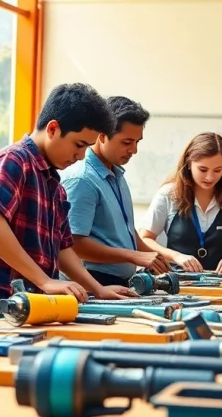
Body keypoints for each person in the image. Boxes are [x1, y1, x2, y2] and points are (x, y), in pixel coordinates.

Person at [0, 83, 140, 305]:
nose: (80, 156)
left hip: (33, 304)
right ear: (53, 129)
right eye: (79, 145)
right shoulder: (13, 160)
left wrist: (98, 290)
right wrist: (44, 280)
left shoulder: (54, 184)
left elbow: (63, 249)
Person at [59, 96, 169, 286]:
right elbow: (73, 244)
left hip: (118, 281)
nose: (134, 150)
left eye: (137, 142)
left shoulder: (116, 174)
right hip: (91, 283)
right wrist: (132, 256)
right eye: (127, 142)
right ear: (101, 136)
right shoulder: (82, 179)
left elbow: (125, 230)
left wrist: (155, 257)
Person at [140, 132, 222, 274]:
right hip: (178, 284)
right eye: (203, 170)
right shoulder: (168, 194)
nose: (210, 177)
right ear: (189, 164)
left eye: (217, 170)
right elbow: (145, 240)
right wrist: (175, 256)